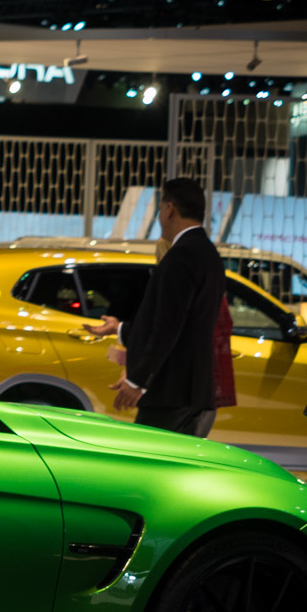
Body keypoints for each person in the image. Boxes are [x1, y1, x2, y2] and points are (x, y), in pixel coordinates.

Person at [84, 176, 224, 436]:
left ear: (169, 209)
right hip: (194, 392)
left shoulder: (181, 256)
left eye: (160, 209)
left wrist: (137, 381)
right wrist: (121, 329)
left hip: (171, 396)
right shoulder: (209, 255)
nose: (160, 217)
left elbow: (167, 329)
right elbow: (183, 324)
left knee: (153, 472)